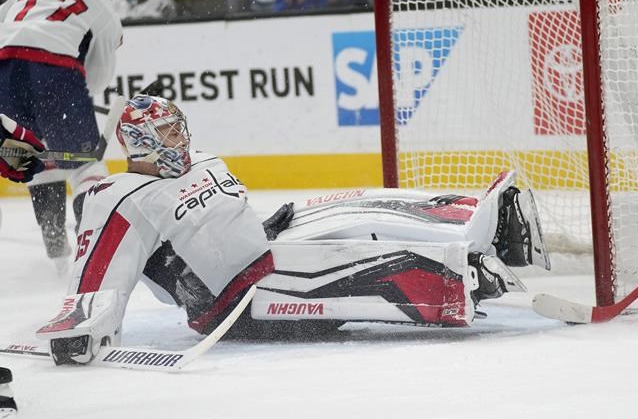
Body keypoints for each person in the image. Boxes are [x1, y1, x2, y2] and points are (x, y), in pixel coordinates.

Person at [35, 95, 549, 365]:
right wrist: (79, 331)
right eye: (167, 132)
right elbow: (99, 272)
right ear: (139, 140)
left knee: (353, 202)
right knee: (356, 257)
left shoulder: (204, 161)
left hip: (262, 258)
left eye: (179, 127)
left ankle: (474, 216)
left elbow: (210, 228)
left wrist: (263, 227)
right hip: (232, 305)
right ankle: (460, 272)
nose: (180, 138)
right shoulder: (117, 196)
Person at [0, 0, 122, 268]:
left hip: (2, 71)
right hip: (54, 69)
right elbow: (100, 74)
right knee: (86, 164)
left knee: (32, 155)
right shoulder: (101, 4)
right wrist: (72, 99)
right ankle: (91, 259)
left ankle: (56, 251)